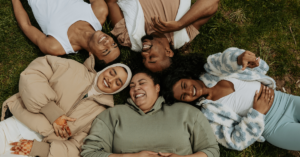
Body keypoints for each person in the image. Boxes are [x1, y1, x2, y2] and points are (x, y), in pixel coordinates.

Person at [161, 47, 300, 151]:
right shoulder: (208, 116)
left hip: (287, 101)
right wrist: (257, 113)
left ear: (187, 76)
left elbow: (226, 59)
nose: (189, 91)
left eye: (184, 85)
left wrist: (240, 59)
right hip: (274, 127)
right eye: (183, 96)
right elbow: (235, 141)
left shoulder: (212, 69)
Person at [0, 54, 132, 157]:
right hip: (16, 124)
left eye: (118, 82)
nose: (110, 80)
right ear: (106, 69)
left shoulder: (102, 114)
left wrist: (40, 149)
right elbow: (34, 74)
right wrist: (52, 112)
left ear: (118, 90)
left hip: (35, 149)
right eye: (112, 72)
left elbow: (80, 147)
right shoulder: (72, 67)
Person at [81, 69, 220, 157]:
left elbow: (211, 151)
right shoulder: (112, 115)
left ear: (157, 87)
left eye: (142, 83)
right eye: (132, 86)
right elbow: (89, 153)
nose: (136, 88)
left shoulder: (187, 112)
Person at [105, 0, 219, 72]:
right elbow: (212, 3)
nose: (144, 53)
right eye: (152, 58)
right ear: (168, 52)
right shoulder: (183, 35)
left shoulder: (128, 38)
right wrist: (180, 24)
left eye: (144, 58)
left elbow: (111, 2)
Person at [12, 0, 120, 64]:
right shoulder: (99, 12)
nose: (107, 42)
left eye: (105, 50)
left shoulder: (56, 46)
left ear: (91, 56)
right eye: (113, 44)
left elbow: (26, 26)